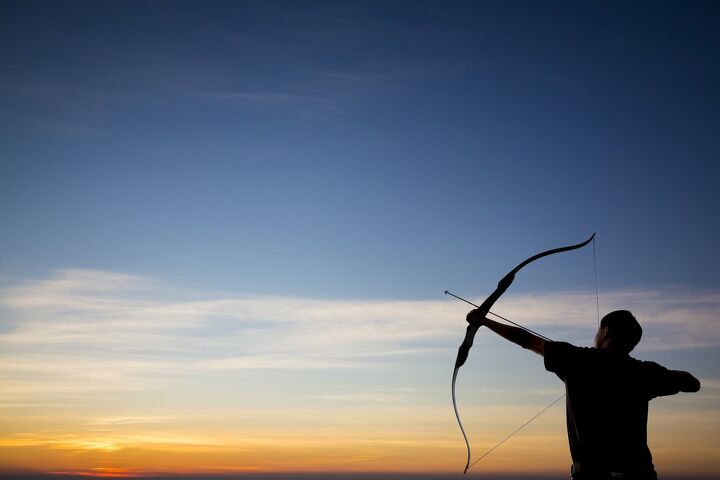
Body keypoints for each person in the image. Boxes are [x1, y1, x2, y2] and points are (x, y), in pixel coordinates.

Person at [466, 308, 701, 480]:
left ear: (606, 330)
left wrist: (484, 321)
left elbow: (526, 340)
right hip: (639, 474)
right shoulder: (645, 372)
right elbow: (693, 384)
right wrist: (668, 375)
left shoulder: (576, 359)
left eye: (598, 328)